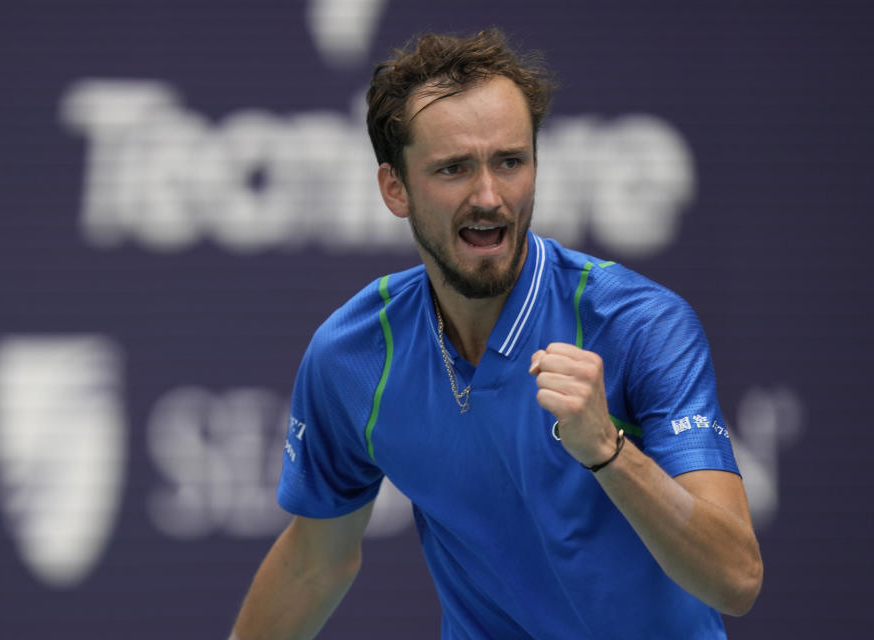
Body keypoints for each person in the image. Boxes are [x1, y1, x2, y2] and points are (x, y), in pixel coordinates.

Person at [231, 28, 762, 639]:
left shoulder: (642, 324)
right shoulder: (352, 356)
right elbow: (314, 563)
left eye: (510, 162)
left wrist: (609, 453)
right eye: (453, 169)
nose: (489, 197)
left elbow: (736, 578)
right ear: (395, 188)